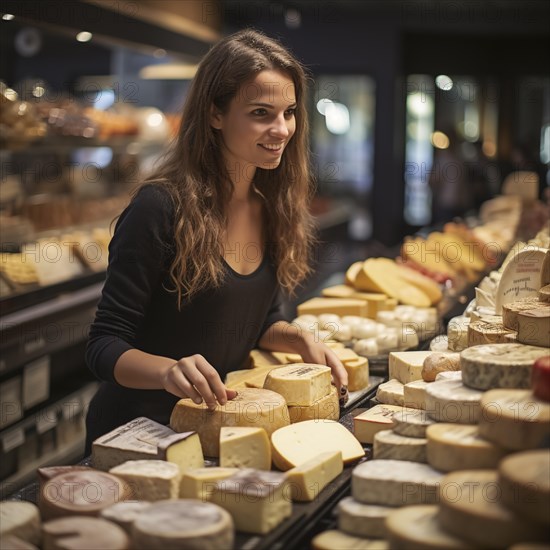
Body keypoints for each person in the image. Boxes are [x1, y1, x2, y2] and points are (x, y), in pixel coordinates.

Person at [84, 29, 348, 453]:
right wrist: (169, 371)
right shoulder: (159, 208)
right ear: (215, 114)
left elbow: (259, 322)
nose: (281, 129)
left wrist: (297, 338)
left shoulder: (274, 207)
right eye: (261, 112)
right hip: (138, 433)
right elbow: (103, 346)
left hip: (217, 431)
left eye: (289, 112)